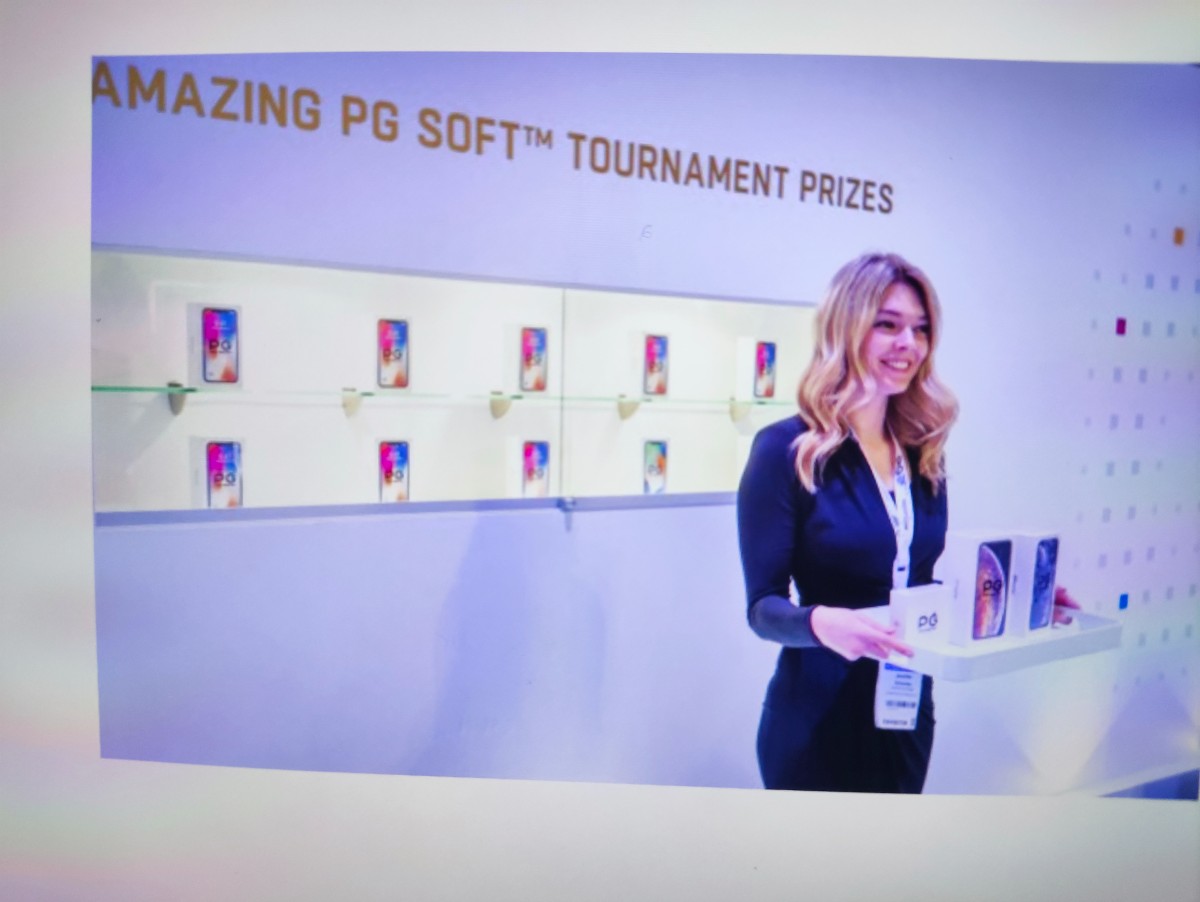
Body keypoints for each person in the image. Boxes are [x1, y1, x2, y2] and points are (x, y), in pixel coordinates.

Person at [736, 251, 957, 793]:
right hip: (816, 721)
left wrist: (1019, 602)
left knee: (895, 850)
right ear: (846, 327)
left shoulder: (922, 451)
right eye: (888, 325)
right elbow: (763, 609)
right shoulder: (786, 450)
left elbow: (921, 581)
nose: (909, 344)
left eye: (920, 330)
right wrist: (820, 623)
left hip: (906, 712)